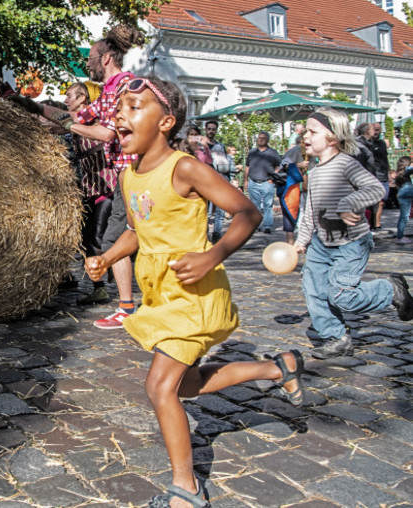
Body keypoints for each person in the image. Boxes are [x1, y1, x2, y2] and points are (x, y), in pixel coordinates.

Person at [86, 76, 305, 508]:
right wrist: (109, 258)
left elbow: (248, 211)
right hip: (161, 297)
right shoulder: (130, 175)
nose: (119, 115)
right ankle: (277, 369)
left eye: (134, 107)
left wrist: (213, 255)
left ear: (166, 121)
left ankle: (186, 488)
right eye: (120, 108)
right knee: (187, 386)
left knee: (159, 387)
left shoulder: (184, 167)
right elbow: (137, 230)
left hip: (195, 295)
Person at [9, 24, 145, 329]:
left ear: (107, 57)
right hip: (126, 173)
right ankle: (136, 303)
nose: (88, 63)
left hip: (133, 171)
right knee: (130, 236)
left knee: (116, 237)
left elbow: (103, 132)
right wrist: (32, 106)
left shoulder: (124, 86)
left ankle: (126, 307)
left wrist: (69, 126)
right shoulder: (108, 91)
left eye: (92, 58)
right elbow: (70, 120)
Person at [295, 108, 413, 360]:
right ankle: (336, 337)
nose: (306, 134)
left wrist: (351, 203)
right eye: (306, 130)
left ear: (333, 138)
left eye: (312, 131)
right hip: (321, 243)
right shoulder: (314, 171)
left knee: (342, 296)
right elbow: (311, 210)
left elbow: (374, 189)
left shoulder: (346, 164)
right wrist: (302, 239)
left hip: (351, 242)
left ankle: (389, 289)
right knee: (313, 289)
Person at [64, 81, 113, 303]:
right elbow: (53, 121)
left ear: (83, 98)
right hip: (90, 189)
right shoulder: (73, 123)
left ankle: (107, 284)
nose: (66, 100)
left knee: (95, 236)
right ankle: (99, 286)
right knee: (86, 239)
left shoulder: (95, 120)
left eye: (70, 96)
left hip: (108, 187)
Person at [244, 131, 281, 234]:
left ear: (267, 140)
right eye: (259, 138)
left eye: (263, 138)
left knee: (268, 205)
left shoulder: (273, 152)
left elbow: (278, 166)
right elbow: (247, 166)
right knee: (255, 205)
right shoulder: (252, 152)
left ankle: (267, 226)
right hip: (253, 182)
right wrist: (246, 180)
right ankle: (257, 225)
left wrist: (273, 177)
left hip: (267, 182)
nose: (260, 139)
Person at [279, 137, 308, 244]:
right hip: (294, 186)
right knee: (291, 210)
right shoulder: (294, 151)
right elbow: (284, 165)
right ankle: (291, 237)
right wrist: (298, 165)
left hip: (311, 186)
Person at [371, 122, 390, 231]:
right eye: (374, 129)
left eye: (378, 130)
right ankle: (373, 224)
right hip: (374, 176)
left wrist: (389, 174)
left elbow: (385, 160)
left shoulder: (382, 143)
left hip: (383, 176)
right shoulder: (368, 144)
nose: (376, 132)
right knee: (375, 202)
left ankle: (377, 224)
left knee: (382, 202)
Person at [393, 156, 413, 244]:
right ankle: (400, 237)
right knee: (404, 217)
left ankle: (400, 236)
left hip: (404, 196)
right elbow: (410, 169)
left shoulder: (401, 173)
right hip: (405, 196)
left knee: (404, 216)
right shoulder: (406, 171)